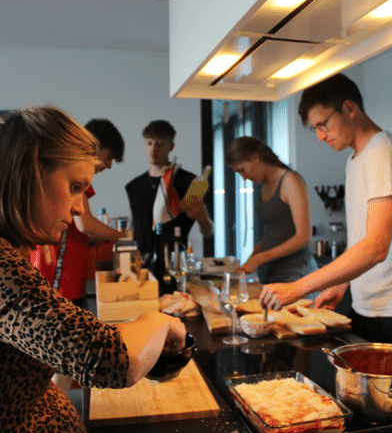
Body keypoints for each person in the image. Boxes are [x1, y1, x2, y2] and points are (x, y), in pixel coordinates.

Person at [0, 105, 186, 433]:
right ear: (27, 174)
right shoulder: (3, 268)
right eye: (74, 187)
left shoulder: (189, 182)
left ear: (171, 145)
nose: (79, 206)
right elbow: (110, 359)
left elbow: (196, 223)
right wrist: (156, 319)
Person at [260, 72, 392, 346]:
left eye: (323, 124)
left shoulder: (383, 153)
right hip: (368, 306)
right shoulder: (356, 159)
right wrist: (339, 283)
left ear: (349, 108)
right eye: (314, 128)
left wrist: (298, 287)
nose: (320, 136)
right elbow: (362, 237)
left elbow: (376, 247)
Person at [30, 118, 126, 306]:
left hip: (67, 276)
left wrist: (93, 240)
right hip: (60, 280)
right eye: (108, 157)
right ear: (94, 146)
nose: (109, 165)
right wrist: (123, 237)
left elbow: (75, 228)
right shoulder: (75, 178)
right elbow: (85, 224)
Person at [226, 136, 317, 286]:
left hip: (296, 273)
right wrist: (252, 258)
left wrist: (258, 259)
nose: (243, 178)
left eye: (242, 170)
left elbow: (304, 237)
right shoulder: (264, 185)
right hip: (270, 272)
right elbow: (274, 233)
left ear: (255, 158)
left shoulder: (291, 180)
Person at [125, 120, 213, 264]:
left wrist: (202, 219)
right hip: (141, 265)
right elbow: (131, 228)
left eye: (159, 144)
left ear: (171, 146)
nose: (153, 149)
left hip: (175, 263)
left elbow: (208, 231)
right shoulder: (135, 186)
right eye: (149, 143)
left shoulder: (189, 182)